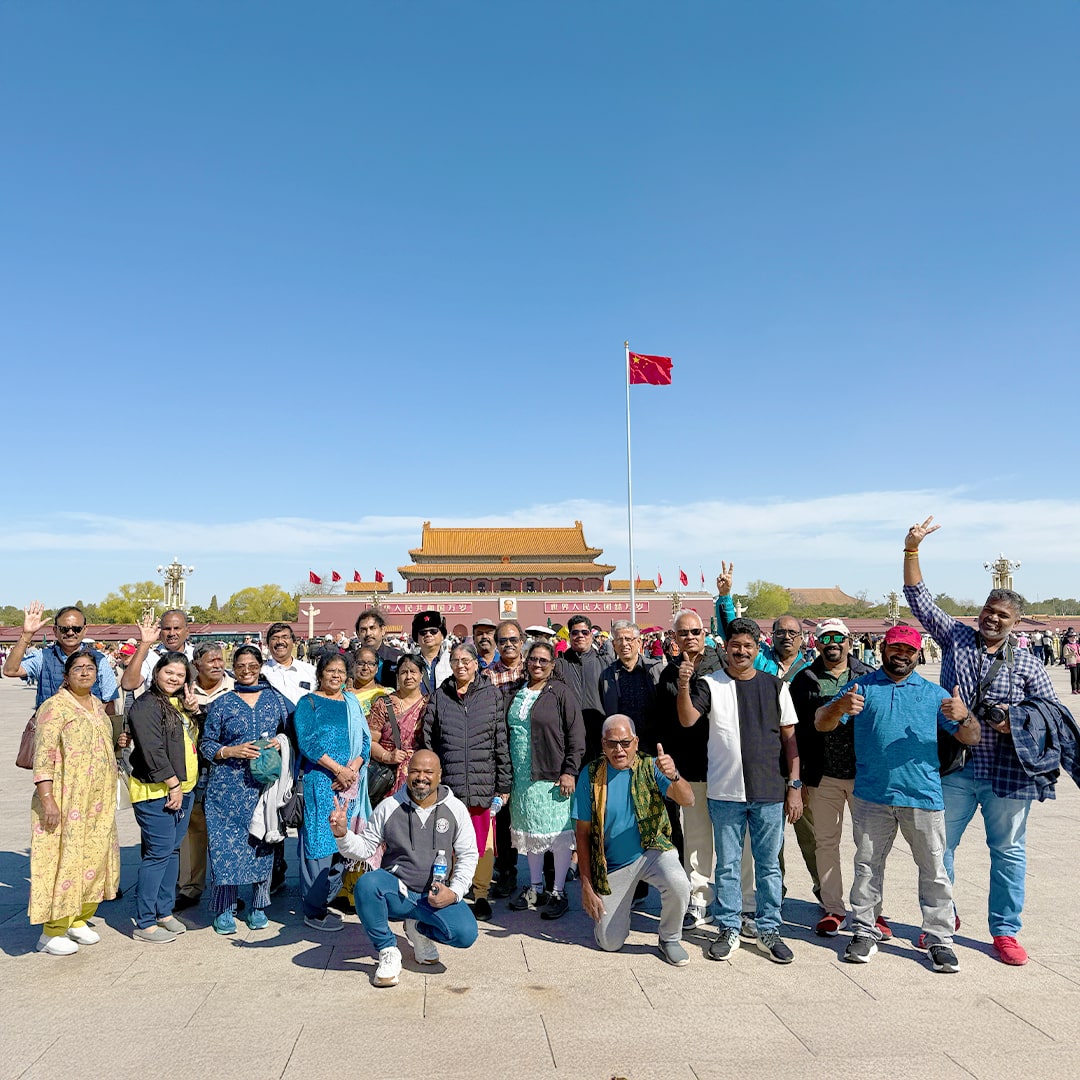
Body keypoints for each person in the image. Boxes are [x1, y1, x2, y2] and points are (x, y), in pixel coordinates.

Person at [903, 515, 1060, 966]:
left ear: (1015, 623)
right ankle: (942, 919)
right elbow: (919, 598)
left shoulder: (1028, 665)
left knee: (1008, 852)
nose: (993, 618)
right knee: (939, 848)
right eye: (989, 610)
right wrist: (912, 549)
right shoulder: (956, 639)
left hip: (1008, 774)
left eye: (1003, 615)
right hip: (955, 767)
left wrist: (1015, 721)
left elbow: (1050, 715)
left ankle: (1005, 931)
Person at [815, 625, 981, 972]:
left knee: (933, 870)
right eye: (896, 648)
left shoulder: (934, 695)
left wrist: (964, 716)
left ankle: (939, 938)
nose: (902, 655)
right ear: (883, 650)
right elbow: (821, 722)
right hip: (871, 795)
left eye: (909, 650)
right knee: (867, 867)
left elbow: (971, 737)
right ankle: (864, 930)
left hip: (923, 796)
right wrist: (839, 706)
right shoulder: (861, 687)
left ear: (918, 655)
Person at [678, 617, 803, 964]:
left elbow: (790, 740)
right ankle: (728, 927)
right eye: (735, 645)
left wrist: (794, 785)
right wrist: (685, 685)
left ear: (758, 648)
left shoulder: (776, 687)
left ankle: (768, 929)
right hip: (725, 791)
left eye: (748, 645)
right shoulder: (710, 684)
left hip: (769, 791)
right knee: (728, 866)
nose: (741, 651)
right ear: (726, 647)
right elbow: (688, 719)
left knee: (769, 866)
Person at [331, 750, 479, 987]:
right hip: (398, 892)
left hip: (434, 896)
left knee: (465, 934)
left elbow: (468, 855)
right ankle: (387, 949)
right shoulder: (389, 806)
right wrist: (343, 835)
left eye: (428, 772)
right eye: (415, 771)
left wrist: (455, 892)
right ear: (407, 773)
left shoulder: (456, 808)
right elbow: (365, 847)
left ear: (440, 775)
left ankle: (418, 928)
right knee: (366, 885)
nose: (421, 777)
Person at [574, 715, 694, 966]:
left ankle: (670, 938)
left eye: (625, 743)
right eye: (612, 743)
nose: (619, 749)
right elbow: (582, 834)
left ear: (636, 742)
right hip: (614, 863)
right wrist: (586, 884)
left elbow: (688, 799)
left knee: (679, 883)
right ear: (603, 744)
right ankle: (619, 913)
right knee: (609, 942)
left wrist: (673, 775)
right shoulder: (591, 775)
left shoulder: (651, 767)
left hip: (653, 851)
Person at [789, 619, 881, 938]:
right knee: (826, 843)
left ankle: (871, 910)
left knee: (869, 845)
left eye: (838, 638)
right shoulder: (804, 680)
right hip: (822, 775)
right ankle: (833, 908)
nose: (832, 644)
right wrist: (797, 779)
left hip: (863, 775)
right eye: (825, 639)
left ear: (849, 640)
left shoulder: (868, 675)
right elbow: (796, 732)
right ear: (816, 643)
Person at [29, 652, 121, 955]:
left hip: (98, 800)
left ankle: (78, 918)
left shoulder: (97, 705)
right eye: (78, 668)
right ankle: (51, 931)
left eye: (90, 668)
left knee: (95, 856)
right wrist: (48, 799)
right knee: (64, 859)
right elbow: (43, 756)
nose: (85, 673)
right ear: (66, 675)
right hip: (66, 798)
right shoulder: (54, 707)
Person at [200, 645, 291, 934]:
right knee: (225, 850)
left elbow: (293, 731)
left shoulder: (276, 700)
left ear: (261, 666)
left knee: (262, 846)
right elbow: (206, 743)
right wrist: (230, 751)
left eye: (252, 665)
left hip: (263, 789)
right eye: (240, 666)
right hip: (226, 789)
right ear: (233, 668)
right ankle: (224, 909)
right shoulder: (222, 703)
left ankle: (258, 906)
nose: (247, 671)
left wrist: (280, 741)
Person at [422, 642, 511, 920]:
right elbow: (428, 739)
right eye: (455, 660)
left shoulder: (491, 695)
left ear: (476, 664)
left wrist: (504, 783)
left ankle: (481, 894)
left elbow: (500, 740)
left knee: (481, 843)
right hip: (450, 782)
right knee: (447, 842)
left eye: (466, 660)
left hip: (483, 781)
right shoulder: (440, 696)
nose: (460, 665)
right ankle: (449, 890)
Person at [656, 608, 726, 930]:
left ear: (704, 634)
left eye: (695, 632)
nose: (689, 638)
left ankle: (738, 900)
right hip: (691, 767)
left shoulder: (722, 665)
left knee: (732, 838)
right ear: (674, 637)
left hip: (725, 766)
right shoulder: (669, 673)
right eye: (682, 633)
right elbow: (665, 721)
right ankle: (699, 900)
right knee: (697, 838)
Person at [505, 639, 585, 920]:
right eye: (533, 659)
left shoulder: (561, 692)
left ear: (552, 665)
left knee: (558, 837)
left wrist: (570, 771)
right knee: (532, 834)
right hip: (522, 777)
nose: (537, 664)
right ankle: (536, 886)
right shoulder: (518, 692)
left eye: (543, 660)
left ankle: (558, 891)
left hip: (552, 775)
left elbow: (576, 735)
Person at [292, 651, 371, 932]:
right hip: (320, 782)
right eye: (330, 670)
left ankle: (326, 899)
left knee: (344, 844)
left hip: (350, 784)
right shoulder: (308, 703)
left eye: (341, 671)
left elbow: (364, 741)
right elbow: (308, 743)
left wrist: (352, 770)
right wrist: (338, 770)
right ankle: (314, 911)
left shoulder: (352, 703)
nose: (336, 676)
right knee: (320, 844)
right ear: (320, 674)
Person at [126, 651, 201, 942]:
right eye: (169, 672)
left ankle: (164, 912)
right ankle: (145, 922)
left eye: (180, 675)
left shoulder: (179, 704)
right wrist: (172, 784)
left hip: (184, 789)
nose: (174, 678)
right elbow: (152, 750)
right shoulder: (146, 705)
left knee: (172, 851)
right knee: (158, 853)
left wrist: (194, 711)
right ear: (157, 672)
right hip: (157, 791)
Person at [174, 643, 235, 912]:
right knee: (193, 827)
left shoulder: (235, 687)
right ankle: (190, 887)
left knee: (226, 831)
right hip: (195, 768)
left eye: (220, 659)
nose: (217, 664)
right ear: (196, 664)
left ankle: (228, 887)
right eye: (211, 660)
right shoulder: (183, 690)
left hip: (229, 768)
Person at [482, 619, 528, 900]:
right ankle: (507, 870)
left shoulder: (534, 668)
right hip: (499, 752)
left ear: (522, 640)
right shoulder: (487, 676)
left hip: (531, 752)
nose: (508, 645)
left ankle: (547, 876)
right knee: (503, 815)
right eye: (503, 641)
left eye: (513, 640)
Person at [3, 602, 119, 715]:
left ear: (85, 630)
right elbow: (10, 670)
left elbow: (109, 701)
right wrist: (27, 634)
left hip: (89, 726)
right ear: (55, 630)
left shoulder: (99, 660)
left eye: (77, 629)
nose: (70, 633)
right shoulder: (43, 657)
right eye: (64, 629)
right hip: (50, 725)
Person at [367, 654, 428, 800]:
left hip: (420, 774)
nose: (408, 677)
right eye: (403, 672)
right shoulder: (384, 704)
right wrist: (387, 756)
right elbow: (370, 740)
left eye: (413, 672)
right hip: (389, 775)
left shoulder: (429, 705)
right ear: (397, 676)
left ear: (421, 675)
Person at [599, 620, 664, 751]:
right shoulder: (606, 675)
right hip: (622, 747)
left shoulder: (656, 669)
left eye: (628, 639)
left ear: (639, 642)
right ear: (614, 645)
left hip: (654, 744)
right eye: (619, 640)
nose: (624, 644)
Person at [556, 614, 607, 761]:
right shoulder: (559, 665)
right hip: (569, 735)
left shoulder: (605, 663)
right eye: (575, 632)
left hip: (599, 733)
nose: (580, 636)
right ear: (569, 636)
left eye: (584, 632)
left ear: (591, 635)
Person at [121, 609, 195, 696]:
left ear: (187, 631)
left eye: (176, 628)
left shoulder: (195, 655)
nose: (172, 633)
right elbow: (128, 685)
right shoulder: (150, 656)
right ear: (160, 632)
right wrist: (144, 644)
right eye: (167, 629)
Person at [354, 608, 403, 688]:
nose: (368, 633)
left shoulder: (397, 658)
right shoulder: (351, 660)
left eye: (372, 628)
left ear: (382, 630)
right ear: (358, 634)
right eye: (363, 630)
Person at [413, 610, 453, 697]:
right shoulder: (410, 663)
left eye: (433, 631)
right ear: (417, 638)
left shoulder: (452, 661)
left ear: (442, 635)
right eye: (423, 632)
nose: (428, 635)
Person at [351, 646, 391, 715]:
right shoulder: (341, 693)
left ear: (377, 668)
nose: (365, 668)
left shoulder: (387, 693)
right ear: (353, 665)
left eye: (371, 664)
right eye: (360, 663)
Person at [1064, 629, 1080, 694]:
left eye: (1074, 637)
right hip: (1072, 662)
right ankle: (1074, 689)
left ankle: (1079, 688)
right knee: (1074, 676)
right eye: (1071, 637)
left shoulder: (1078, 645)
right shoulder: (1067, 646)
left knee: (1079, 676)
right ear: (1068, 638)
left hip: (1079, 661)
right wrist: (1072, 654)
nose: (1073, 639)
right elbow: (1065, 655)